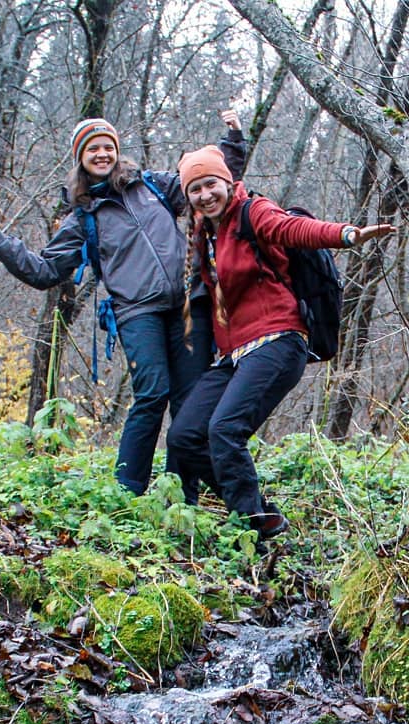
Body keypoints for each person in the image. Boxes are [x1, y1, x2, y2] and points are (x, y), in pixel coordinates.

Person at [0, 111, 247, 495]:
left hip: (188, 306)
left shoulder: (152, 186)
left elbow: (209, 183)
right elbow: (44, 271)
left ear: (117, 151)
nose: (102, 154)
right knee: (152, 395)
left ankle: (180, 495)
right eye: (93, 149)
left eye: (108, 147)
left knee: (188, 405)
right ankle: (127, 491)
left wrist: (233, 139)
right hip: (138, 312)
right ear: (81, 159)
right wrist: (0, 241)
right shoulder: (83, 218)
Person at [165, 146, 395, 539]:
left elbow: (294, 229)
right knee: (184, 436)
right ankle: (259, 514)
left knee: (224, 429)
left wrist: (346, 234)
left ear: (228, 182)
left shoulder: (253, 212)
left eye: (211, 184)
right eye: (195, 189)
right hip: (235, 354)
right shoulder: (205, 235)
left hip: (278, 340)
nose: (205, 195)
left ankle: (250, 528)